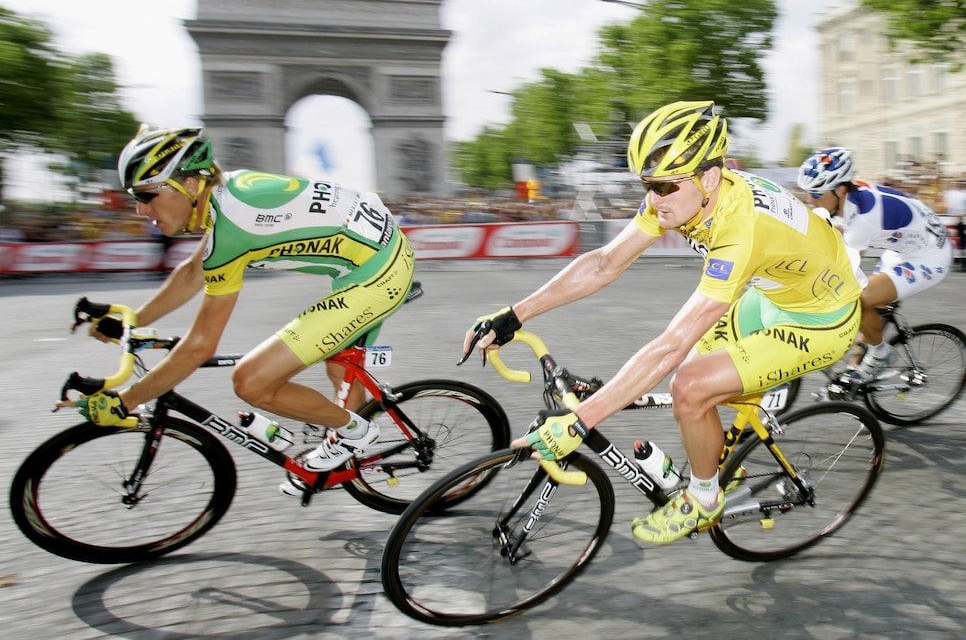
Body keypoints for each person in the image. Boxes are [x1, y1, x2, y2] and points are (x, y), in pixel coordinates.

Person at [464, 101, 862, 545]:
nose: (653, 199)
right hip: (775, 296)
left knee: (688, 386)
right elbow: (604, 263)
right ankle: (727, 463)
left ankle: (705, 499)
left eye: (663, 187)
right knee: (698, 372)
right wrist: (515, 314)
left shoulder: (739, 227)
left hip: (821, 321)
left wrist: (580, 421)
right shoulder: (686, 191)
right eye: (646, 185)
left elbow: (670, 344)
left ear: (709, 177)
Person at [59, 125, 415, 496]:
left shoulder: (232, 226)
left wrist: (127, 401)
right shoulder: (226, 194)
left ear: (192, 185)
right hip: (366, 260)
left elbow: (199, 346)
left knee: (252, 381)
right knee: (340, 368)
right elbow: (192, 273)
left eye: (148, 195)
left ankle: (356, 432)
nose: (139, 208)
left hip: (377, 273)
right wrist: (132, 321)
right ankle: (349, 458)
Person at [798, 147, 953, 380]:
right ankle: (856, 372)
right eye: (807, 192)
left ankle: (880, 353)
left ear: (840, 190)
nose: (810, 200)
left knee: (855, 299)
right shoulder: (847, 197)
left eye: (817, 193)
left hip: (930, 256)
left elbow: (842, 272)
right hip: (904, 246)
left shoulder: (864, 221)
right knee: (866, 305)